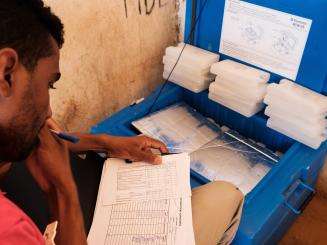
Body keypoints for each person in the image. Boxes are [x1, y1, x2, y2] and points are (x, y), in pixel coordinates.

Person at [0, 1, 244, 244]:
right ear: (6, 72)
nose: (49, 110)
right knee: (226, 196)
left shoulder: (11, 128)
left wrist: (106, 143)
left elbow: (46, 138)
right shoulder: (11, 229)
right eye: (47, 84)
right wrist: (65, 195)